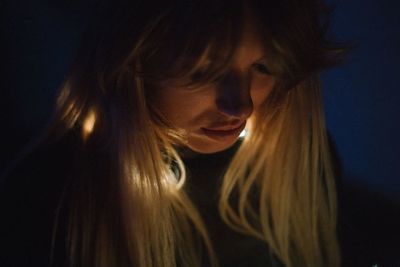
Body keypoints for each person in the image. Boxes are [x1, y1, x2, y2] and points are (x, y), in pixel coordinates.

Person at [0, 0, 347, 266]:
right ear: (131, 61)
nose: (240, 105)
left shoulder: (304, 169)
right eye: (204, 69)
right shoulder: (50, 194)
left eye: (263, 67)